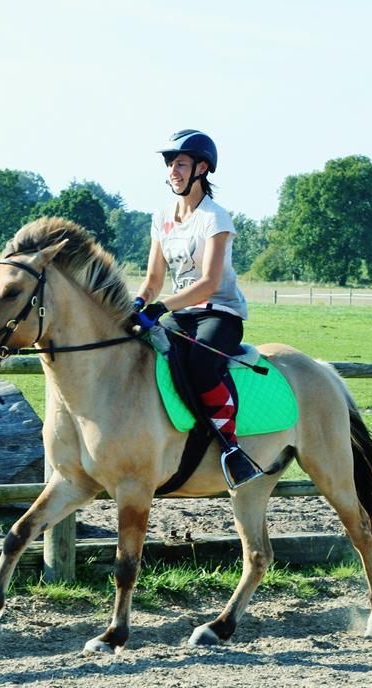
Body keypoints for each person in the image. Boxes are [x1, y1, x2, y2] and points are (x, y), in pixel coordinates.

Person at [132, 129, 260, 488]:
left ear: (202, 168)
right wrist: (138, 304)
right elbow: (153, 278)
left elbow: (208, 283)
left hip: (220, 313)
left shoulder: (215, 218)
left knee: (201, 366)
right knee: (145, 356)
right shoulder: (162, 218)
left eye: (181, 164)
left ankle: (231, 448)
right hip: (180, 314)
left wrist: (160, 307)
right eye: (171, 164)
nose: (173, 170)